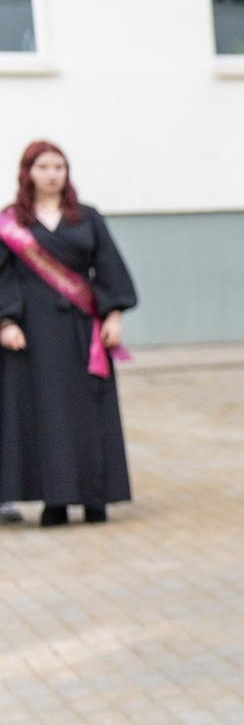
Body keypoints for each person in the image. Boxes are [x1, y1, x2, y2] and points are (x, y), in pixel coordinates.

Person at [0, 142, 137, 525]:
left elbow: (108, 266)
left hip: (82, 329)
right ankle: (55, 500)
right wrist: (6, 322)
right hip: (34, 332)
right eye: (43, 167)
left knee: (90, 410)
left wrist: (113, 315)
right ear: (27, 173)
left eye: (58, 167)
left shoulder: (86, 217)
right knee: (46, 414)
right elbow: (3, 276)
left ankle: (95, 498)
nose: (51, 174)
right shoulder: (12, 222)